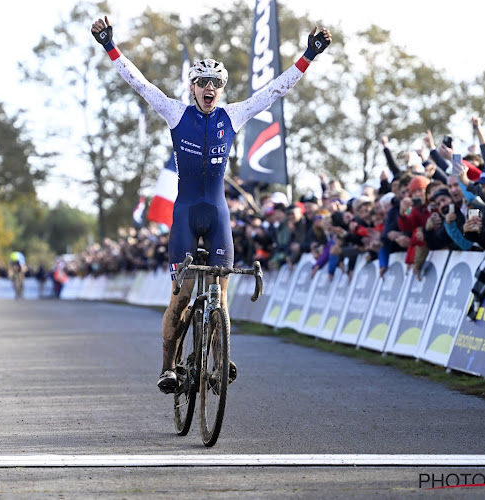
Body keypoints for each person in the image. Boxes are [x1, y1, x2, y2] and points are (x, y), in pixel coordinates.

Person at [91, 15, 332, 393]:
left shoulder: (232, 115)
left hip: (217, 214)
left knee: (220, 295)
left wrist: (308, 55)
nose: (209, 88)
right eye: (202, 82)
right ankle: (168, 366)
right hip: (185, 214)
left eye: (216, 83)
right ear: (192, 87)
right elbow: (139, 83)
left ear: (221, 89)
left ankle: (220, 354)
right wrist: (109, 45)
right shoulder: (175, 112)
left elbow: (274, 91)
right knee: (182, 296)